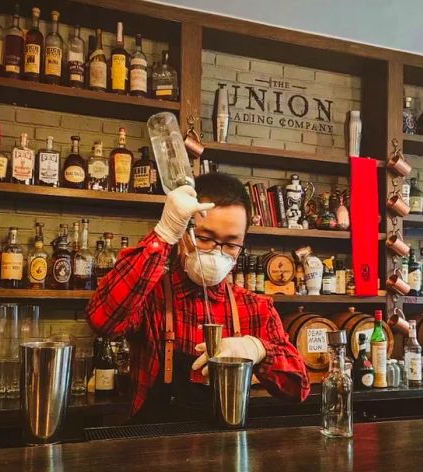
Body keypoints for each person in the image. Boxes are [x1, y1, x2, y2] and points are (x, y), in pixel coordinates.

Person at [88, 172, 310, 421]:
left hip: (227, 449)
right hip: (155, 446)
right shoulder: (151, 294)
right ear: (184, 231)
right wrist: (163, 233)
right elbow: (102, 320)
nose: (217, 252)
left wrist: (259, 350)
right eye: (204, 238)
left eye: (231, 244)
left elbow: (298, 388)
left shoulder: (254, 307)